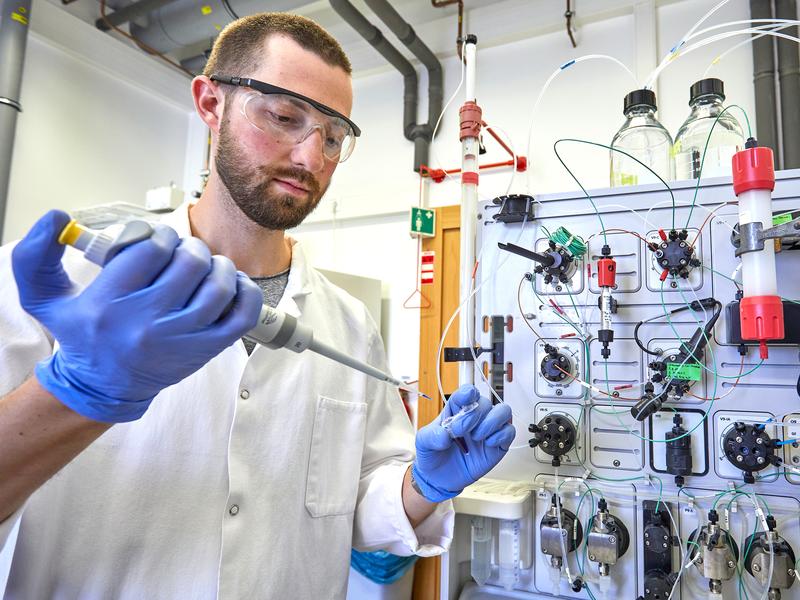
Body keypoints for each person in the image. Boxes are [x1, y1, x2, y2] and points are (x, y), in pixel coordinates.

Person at [0, 12, 514, 599]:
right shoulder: (65, 280)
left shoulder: (348, 323)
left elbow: (353, 509)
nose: (310, 158)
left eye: (333, 137)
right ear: (210, 103)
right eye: (284, 117)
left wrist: (423, 485)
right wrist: (73, 394)